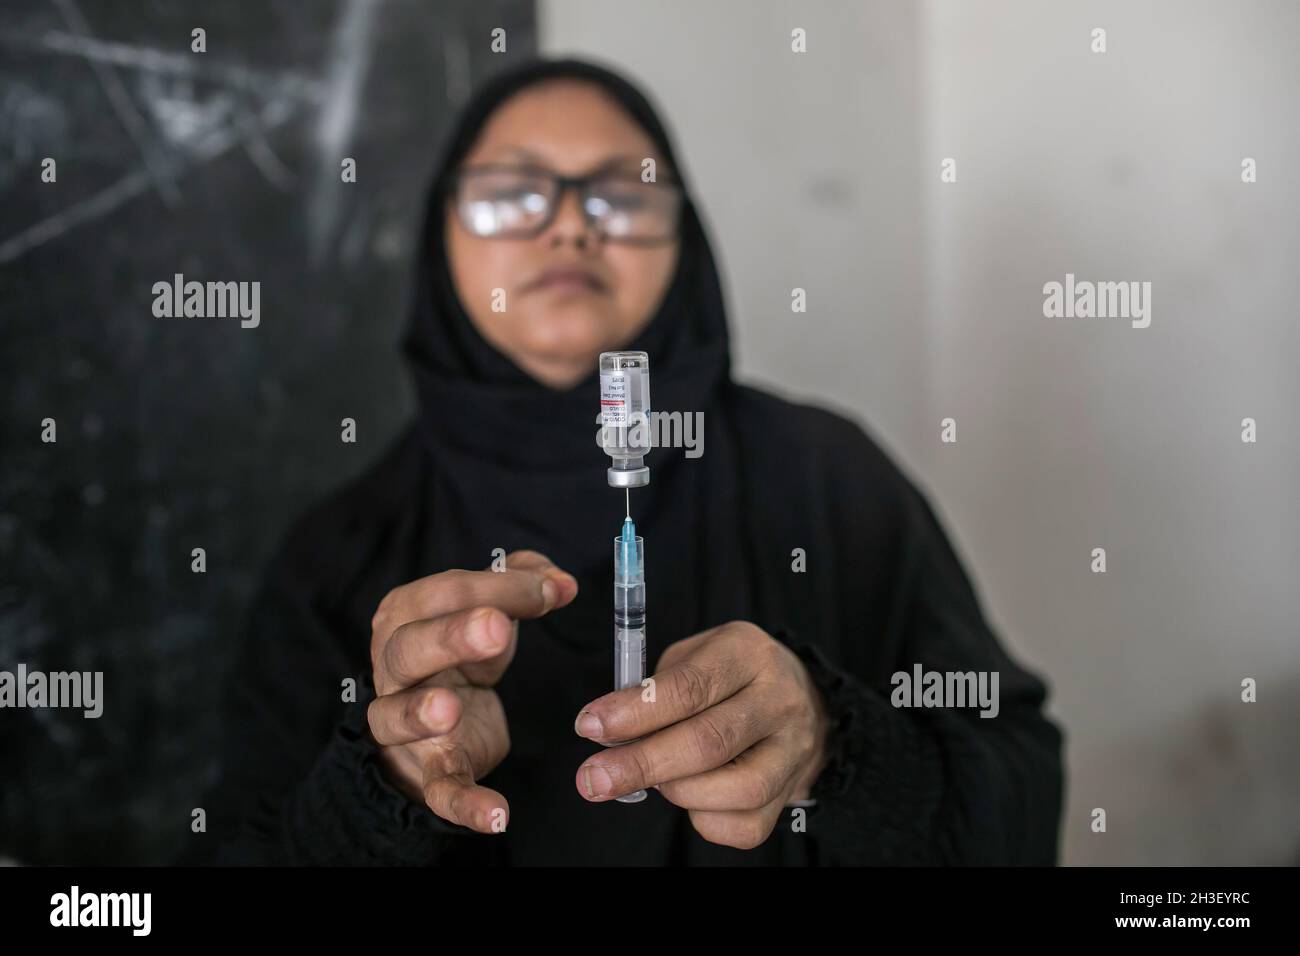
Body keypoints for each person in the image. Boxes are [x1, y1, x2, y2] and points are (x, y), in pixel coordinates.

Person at [180, 56, 1063, 866]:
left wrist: (835, 743)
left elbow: (1019, 804)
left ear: (686, 241)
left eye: (623, 197)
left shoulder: (826, 481)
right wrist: (384, 787)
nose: (569, 229)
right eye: (510, 193)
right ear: (439, 233)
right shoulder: (338, 554)